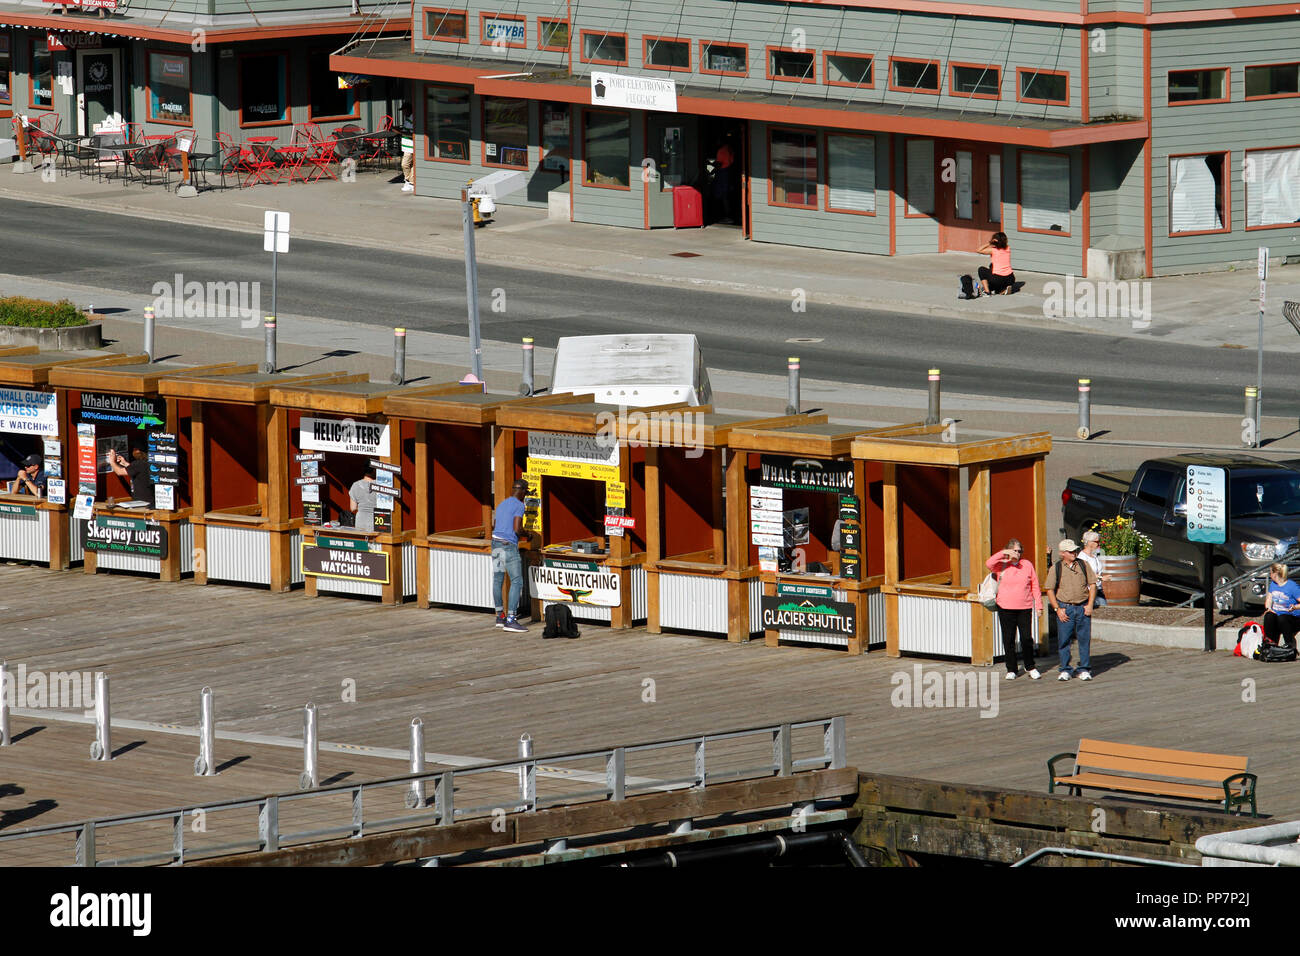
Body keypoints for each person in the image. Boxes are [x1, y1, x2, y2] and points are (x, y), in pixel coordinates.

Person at [985, 538, 1042, 679]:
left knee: (1026, 638)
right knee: (1008, 639)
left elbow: (1035, 585)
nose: (1017, 553)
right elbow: (989, 563)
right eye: (1014, 550)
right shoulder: (1001, 565)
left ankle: (1031, 667)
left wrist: (1039, 606)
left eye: (1019, 551)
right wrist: (1004, 553)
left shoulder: (1027, 564)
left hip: (1025, 607)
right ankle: (1011, 669)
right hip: (1005, 607)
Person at [1046, 539, 1097, 681]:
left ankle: (1084, 669)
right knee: (1063, 640)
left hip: (1082, 607)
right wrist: (1057, 609)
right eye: (1070, 551)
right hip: (1065, 608)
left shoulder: (1083, 564)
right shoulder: (1056, 568)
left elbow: (1093, 585)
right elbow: (1049, 590)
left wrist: (1090, 604)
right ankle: (1065, 669)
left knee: (1084, 639)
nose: (1074, 553)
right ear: (1062, 553)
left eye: (1075, 550)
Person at [492, 479, 529, 633]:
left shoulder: (502, 504)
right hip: (508, 546)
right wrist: (528, 535)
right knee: (517, 581)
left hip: (495, 544)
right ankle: (511, 620)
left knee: (498, 580)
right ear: (522, 491)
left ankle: (500, 616)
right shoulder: (519, 505)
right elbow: (517, 528)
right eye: (526, 492)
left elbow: (495, 524)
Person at [1262, 562, 1300, 648]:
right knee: (1269, 616)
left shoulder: (1292, 586)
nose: (1270, 575)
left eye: (1270, 572)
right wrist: (1268, 608)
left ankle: (1289, 644)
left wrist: (1295, 607)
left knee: (1282, 618)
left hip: (1292, 618)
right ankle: (1270, 643)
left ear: (1275, 574)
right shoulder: (1273, 585)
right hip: (1278, 617)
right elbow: (1269, 599)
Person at [975, 232, 1016, 296]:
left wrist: (990, 243)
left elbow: (978, 250)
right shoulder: (1008, 248)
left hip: (998, 279)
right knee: (991, 266)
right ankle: (1003, 289)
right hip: (1011, 278)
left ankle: (987, 292)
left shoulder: (993, 250)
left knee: (981, 269)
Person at [1078, 530, 1108, 606]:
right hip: (1088, 591)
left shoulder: (1094, 556)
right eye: (1097, 542)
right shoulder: (1082, 557)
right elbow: (1086, 573)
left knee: (1103, 612)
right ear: (1090, 542)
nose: (1099, 544)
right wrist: (1101, 577)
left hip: (1098, 589)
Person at [349, 467, 378, 532]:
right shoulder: (380, 486)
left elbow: (353, 508)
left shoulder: (355, 485)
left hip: (360, 521)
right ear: (374, 470)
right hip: (377, 520)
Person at [397, 104, 414, 194]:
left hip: (411, 147)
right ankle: (411, 183)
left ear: (408, 110)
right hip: (406, 147)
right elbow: (406, 130)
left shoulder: (413, 119)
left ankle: (408, 181)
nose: (403, 113)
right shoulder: (408, 119)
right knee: (410, 165)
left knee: (405, 164)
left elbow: (412, 134)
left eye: (404, 110)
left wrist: (399, 132)